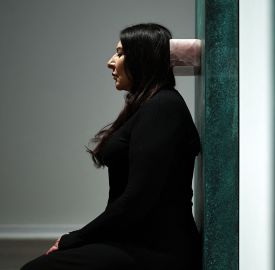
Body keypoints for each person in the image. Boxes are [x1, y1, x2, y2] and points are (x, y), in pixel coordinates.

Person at [20, 23, 202, 270]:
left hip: (159, 250)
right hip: (135, 242)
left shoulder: (163, 107)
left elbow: (137, 200)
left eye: (120, 53)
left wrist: (74, 238)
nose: (110, 62)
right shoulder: (150, 107)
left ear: (142, 58)